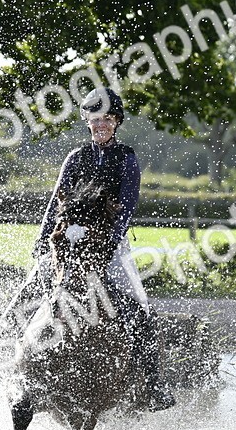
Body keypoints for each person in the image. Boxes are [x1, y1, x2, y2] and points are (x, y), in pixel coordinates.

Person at [29, 87, 176, 412]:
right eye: (95, 120)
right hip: (67, 240)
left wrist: (111, 241)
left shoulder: (126, 158)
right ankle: (14, 359)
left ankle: (153, 385)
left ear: (117, 121)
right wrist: (42, 240)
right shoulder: (75, 157)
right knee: (28, 292)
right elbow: (56, 201)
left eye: (106, 120)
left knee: (139, 308)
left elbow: (126, 206)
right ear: (88, 122)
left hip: (109, 243)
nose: (100, 126)